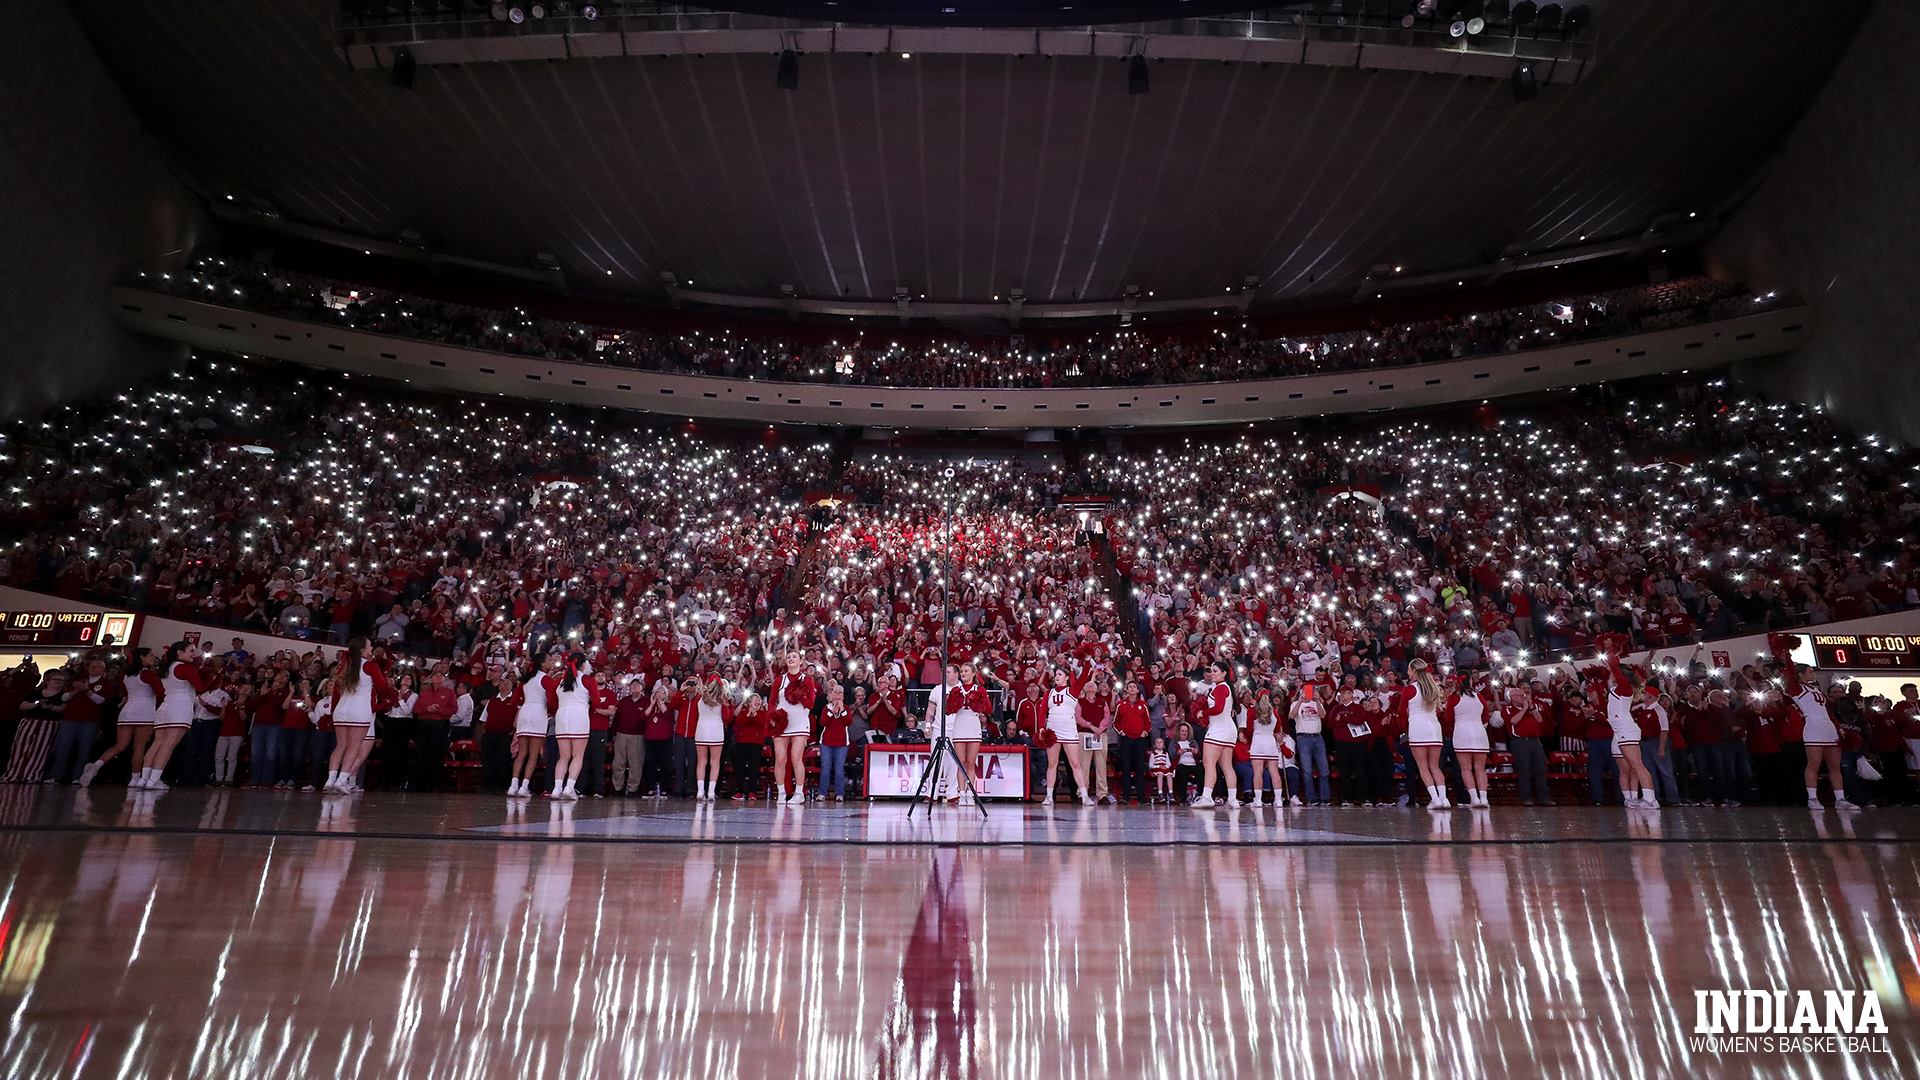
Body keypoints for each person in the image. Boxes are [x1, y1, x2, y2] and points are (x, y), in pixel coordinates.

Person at [1773, 637, 1858, 810]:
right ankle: (1812, 799)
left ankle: (1840, 799)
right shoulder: (1795, 688)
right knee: (1814, 764)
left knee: (1835, 766)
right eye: (1810, 672)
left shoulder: (1814, 689)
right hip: (1813, 728)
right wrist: (1787, 655)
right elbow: (1790, 672)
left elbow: (1828, 711)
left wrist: (1838, 727)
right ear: (1801, 675)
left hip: (1828, 728)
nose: (1813, 674)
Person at [141, 640, 215, 791]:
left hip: (166, 706)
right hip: (180, 708)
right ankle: (154, 780)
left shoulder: (167, 667)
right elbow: (200, 688)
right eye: (191, 651)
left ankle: (144, 779)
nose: (194, 654)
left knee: (157, 743)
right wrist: (211, 678)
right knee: (168, 745)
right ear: (180, 653)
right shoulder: (186, 668)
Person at [327, 637, 394, 794]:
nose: (371, 649)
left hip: (341, 710)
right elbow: (383, 687)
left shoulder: (344, 665)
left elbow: (336, 691)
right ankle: (342, 780)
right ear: (363, 649)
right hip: (359, 710)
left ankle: (330, 779)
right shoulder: (370, 665)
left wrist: (333, 711)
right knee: (354, 747)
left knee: (340, 746)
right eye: (370, 646)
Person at [81, 649, 157, 787]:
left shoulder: (126, 675)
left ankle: (96, 766)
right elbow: (160, 692)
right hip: (144, 712)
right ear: (142, 657)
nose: (153, 658)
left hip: (127, 711)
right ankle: (135, 778)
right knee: (139, 747)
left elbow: (125, 692)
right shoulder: (148, 674)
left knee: (119, 746)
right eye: (150, 655)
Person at [1395, 659, 1449, 810]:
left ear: (1413, 670)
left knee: (1423, 767)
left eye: (1408, 669)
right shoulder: (1434, 688)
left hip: (1418, 727)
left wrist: (1405, 727)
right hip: (1434, 727)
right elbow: (1438, 711)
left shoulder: (1409, 689)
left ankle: (1435, 799)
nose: (1407, 672)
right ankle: (1444, 799)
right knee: (1435, 766)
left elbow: (1401, 713)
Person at [49, 658, 112, 785]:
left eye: (97, 666)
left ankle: (78, 776)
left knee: (85, 749)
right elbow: (64, 697)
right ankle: (56, 775)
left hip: (90, 720)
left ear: (103, 670)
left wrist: (87, 690)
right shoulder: (77, 681)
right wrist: (77, 690)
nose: (93, 668)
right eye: (92, 666)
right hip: (70, 718)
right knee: (63, 747)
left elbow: (100, 700)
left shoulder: (105, 684)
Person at [545, 652, 595, 800]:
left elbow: (551, 703)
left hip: (562, 717)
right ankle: (569, 788)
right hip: (579, 716)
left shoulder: (559, 681)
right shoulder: (588, 680)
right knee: (578, 755)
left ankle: (556, 788)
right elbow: (597, 702)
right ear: (584, 664)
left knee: (563, 756)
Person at [3, 667, 65, 784]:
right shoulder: (34, 692)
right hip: (29, 722)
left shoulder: (63, 695)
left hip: (49, 725)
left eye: (61, 680)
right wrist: (36, 705)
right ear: (47, 681)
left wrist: (50, 707)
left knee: (40, 751)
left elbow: (62, 709)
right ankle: (14, 773)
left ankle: (31, 775)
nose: (58, 682)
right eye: (55, 679)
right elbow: (22, 705)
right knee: (20, 748)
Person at [770, 652, 818, 805]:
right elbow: (771, 701)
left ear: (801, 661)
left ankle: (799, 793)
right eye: (788, 657)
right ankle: (782, 792)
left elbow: (811, 704)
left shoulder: (808, 680)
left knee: (796, 758)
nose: (791, 659)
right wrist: (772, 716)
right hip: (782, 721)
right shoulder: (780, 680)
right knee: (780, 758)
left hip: (799, 721)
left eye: (794, 657)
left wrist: (799, 696)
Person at [1040, 666, 1090, 807]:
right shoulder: (1048, 693)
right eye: (1056, 674)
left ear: (1067, 678)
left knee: (1075, 763)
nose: (1057, 676)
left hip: (1068, 729)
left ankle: (1084, 796)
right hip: (1052, 729)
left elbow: (1083, 677)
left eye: (1060, 674)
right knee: (1052, 764)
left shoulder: (1072, 690)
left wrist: (1085, 662)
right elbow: (1042, 711)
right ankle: (1049, 796)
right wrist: (1041, 729)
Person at [508, 655, 556, 798]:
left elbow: (515, 699)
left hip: (525, 712)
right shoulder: (546, 679)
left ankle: (513, 786)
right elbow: (551, 700)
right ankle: (524, 787)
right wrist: (552, 710)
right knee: (533, 755)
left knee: (522, 753)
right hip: (538, 713)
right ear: (542, 663)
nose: (551, 663)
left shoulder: (526, 679)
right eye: (549, 660)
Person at [1449, 674, 1497, 809]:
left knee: (1466, 769)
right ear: (1470, 681)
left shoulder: (1454, 697)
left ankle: (1474, 798)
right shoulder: (1479, 696)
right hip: (1479, 733)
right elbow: (1486, 715)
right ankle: (1484, 798)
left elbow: (1448, 717)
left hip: (1462, 733)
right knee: (1480, 769)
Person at [1503, 684, 1553, 806]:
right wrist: (1524, 709)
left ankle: (1544, 797)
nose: (1522, 697)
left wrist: (1531, 708)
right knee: (1524, 769)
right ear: (1512, 697)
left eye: (1523, 695)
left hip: (1535, 741)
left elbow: (1540, 720)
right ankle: (1526, 797)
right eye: (1520, 695)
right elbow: (1513, 721)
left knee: (1540, 769)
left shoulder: (1531, 707)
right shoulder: (1508, 708)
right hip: (1520, 741)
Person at [412, 671, 458, 793]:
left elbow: (454, 708)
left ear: (444, 680)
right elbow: (416, 709)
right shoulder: (424, 693)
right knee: (421, 753)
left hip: (439, 726)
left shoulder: (449, 693)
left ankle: (433, 784)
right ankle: (418, 784)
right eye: (435, 676)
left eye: (440, 676)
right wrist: (426, 708)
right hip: (423, 725)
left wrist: (438, 710)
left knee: (436, 754)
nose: (438, 677)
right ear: (431, 679)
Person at [1289, 684, 1331, 806]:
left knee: (1324, 768)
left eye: (1312, 691)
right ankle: (1311, 798)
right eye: (1306, 691)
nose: (1309, 693)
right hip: (1303, 737)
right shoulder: (1295, 703)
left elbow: (1323, 715)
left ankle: (1325, 797)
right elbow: (1292, 716)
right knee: (1307, 770)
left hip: (1317, 736)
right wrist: (1300, 701)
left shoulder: (1317, 703)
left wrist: (1317, 701)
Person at [480, 670, 522, 793]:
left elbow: (517, 718)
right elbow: (484, 717)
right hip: (490, 734)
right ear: (499, 686)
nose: (505, 685)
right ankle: (488, 785)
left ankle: (501, 785)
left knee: (503, 760)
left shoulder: (515, 700)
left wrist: (513, 731)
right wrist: (484, 730)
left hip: (505, 735)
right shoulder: (492, 700)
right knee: (488, 760)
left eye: (508, 683)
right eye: (503, 683)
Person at [691, 677, 730, 802]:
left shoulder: (700, 696)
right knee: (715, 762)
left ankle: (700, 791)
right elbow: (728, 718)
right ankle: (711, 791)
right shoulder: (722, 699)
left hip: (701, 729)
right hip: (716, 730)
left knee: (701, 761)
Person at [1114, 680, 1152, 804]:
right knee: (1126, 768)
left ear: (1137, 690)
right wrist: (1121, 732)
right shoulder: (1121, 704)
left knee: (1140, 768)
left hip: (1140, 740)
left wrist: (1145, 733)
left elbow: (1148, 722)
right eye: (1129, 686)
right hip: (1126, 740)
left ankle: (1141, 797)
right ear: (1126, 689)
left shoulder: (1143, 704)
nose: (1131, 688)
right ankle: (1125, 796)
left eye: (1134, 687)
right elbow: (1115, 722)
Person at [1246, 692, 1286, 808]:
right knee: (1274, 772)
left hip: (1258, 742)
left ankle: (1258, 800)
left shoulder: (1252, 711)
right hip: (1270, 742)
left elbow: (1249, 730)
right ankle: (1278, 800)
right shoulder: (1274, 712)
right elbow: (1278, 729)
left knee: (1258, 772)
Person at [610, 679, 647, 796]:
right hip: (621, 734)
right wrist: (613, 734)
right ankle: (617, 788)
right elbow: (616, 719)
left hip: (638, 736)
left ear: (642, 688)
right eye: (633, 685)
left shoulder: (646, 702)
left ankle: (632, 789)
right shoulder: (624, 701)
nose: (635, 687)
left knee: (636, 764)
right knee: (618, 763)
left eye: (638, 685)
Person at [729, 691, 770, 800]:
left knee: (753, 767)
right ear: (749, 702)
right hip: (742, 742)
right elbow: (738, 721)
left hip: (756, 743)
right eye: (755, 699)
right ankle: (739, 791)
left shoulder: (762, 713)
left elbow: (762, 723)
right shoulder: (743, 711)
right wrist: (747, 713)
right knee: (740, 767)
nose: (757, 701)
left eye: (758, 700)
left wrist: (755, 714)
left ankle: (752, 791)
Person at [817, 683, 852, 801]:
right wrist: (832, 711)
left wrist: (841, 710)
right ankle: (822, 793)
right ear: (831, 695)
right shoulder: (826, 708)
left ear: (843, 696)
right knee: (826, 768)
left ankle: (839, 794)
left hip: (842, 743)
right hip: (826, 743)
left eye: (840, 692)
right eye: (835, 692)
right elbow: (823, 722)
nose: (837, 695)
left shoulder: (846, 708)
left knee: (839, 769)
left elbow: (848, 722)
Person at [641, 679, 675, 797]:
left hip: (665, 739)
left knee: (665, 764)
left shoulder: (670, 705)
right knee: (650, 764)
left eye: (662, 692)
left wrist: (660, 702)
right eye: (657, 692)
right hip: (651, 739)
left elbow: (667, 715)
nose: (659, 694)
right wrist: (652, 703)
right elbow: (644, 717)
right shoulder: (650, 705)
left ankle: (664, 788)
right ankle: (650, 788)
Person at [211, 683, 251, 785]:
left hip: (237, 733)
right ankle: (219, 778)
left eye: (248, 688)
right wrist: (224, 707)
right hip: (224, 732)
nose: (245, 689)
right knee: (219, 756)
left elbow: (243, 718)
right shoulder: (230, 702)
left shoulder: (249, 703)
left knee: (231, 756)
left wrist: (240, 706)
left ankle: (229, 779)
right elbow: (221, 717)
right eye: (244, 687)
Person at [1147, 736, 1174, 803]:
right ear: (1154, 745)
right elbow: (1150, 765)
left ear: (1163, 745)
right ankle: (1160, 793)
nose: (1159, 743)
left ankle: (1171, 793)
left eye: (1161, 742)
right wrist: (1158, 766)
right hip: (1157, 768)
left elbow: (1169, 763)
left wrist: (1166, 766)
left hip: (1165, 768)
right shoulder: (1153, 754)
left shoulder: (1166, 753)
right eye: (1157, 742)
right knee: (1160, 774)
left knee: (1169, 775)